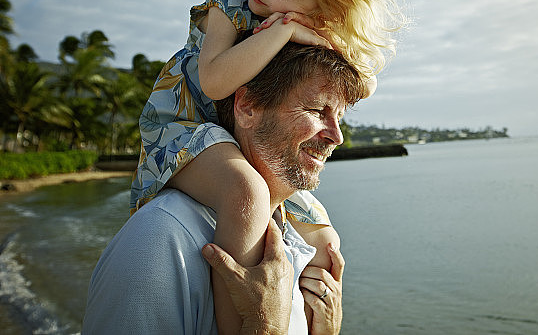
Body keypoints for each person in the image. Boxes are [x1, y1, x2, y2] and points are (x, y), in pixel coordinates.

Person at [130, 0, 402, 332]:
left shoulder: (306, 28)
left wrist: (330, 39)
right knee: (248, 192)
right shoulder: (231, 6)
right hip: (181, 128)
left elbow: (362, 85)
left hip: (226, 137)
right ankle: (233, 324)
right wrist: (285, 30)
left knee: (327, 240)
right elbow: (217, 81)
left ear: (319, 12)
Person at [84, 43, 364, 334]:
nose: (337, 136)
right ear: (248, 107)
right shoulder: (159, 242)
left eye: (339, 118)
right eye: (317, 110)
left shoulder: (301, 239)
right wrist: (263, 326)